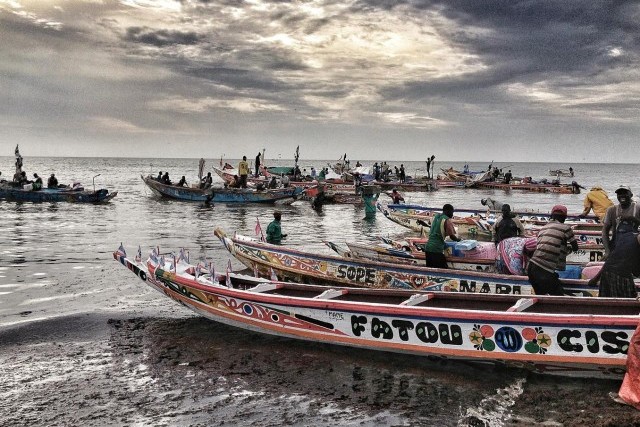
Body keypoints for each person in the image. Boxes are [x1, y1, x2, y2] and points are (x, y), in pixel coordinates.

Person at [526, 205, 579, 295]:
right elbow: (575, 247)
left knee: (541, 297)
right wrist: (566, 247)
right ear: (564, 217)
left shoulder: (543, 228)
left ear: (552, 216)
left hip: (531, 267)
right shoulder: (566, 228)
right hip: (543, 270)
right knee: (558, 296)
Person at [588, 220, 640, 298]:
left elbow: (610, 261)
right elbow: (636, 271)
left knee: (607, 304)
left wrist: (595, 279)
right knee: (626, 306)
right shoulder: (632, 244)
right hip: (621, 276)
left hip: (607, 273)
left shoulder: (627, 237)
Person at [602, 185, 640, 258]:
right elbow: (604, 231)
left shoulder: (637, 208)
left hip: (633, 246)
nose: (622, 195)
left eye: (625, 193)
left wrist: (632, 218)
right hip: (616, 245)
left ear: (631, 195)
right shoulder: (611, 210)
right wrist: (607, 251)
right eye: (619, 193)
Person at [423, 204, 461, 269]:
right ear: (447, 211)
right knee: (442, 269)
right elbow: (452, 236)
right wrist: (459, 240)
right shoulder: (446, 220)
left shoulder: (436, 217)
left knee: (430, 269)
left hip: (428, 247)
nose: (452, 214)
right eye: (452, 212)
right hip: (436, 249)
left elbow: (436, 233)